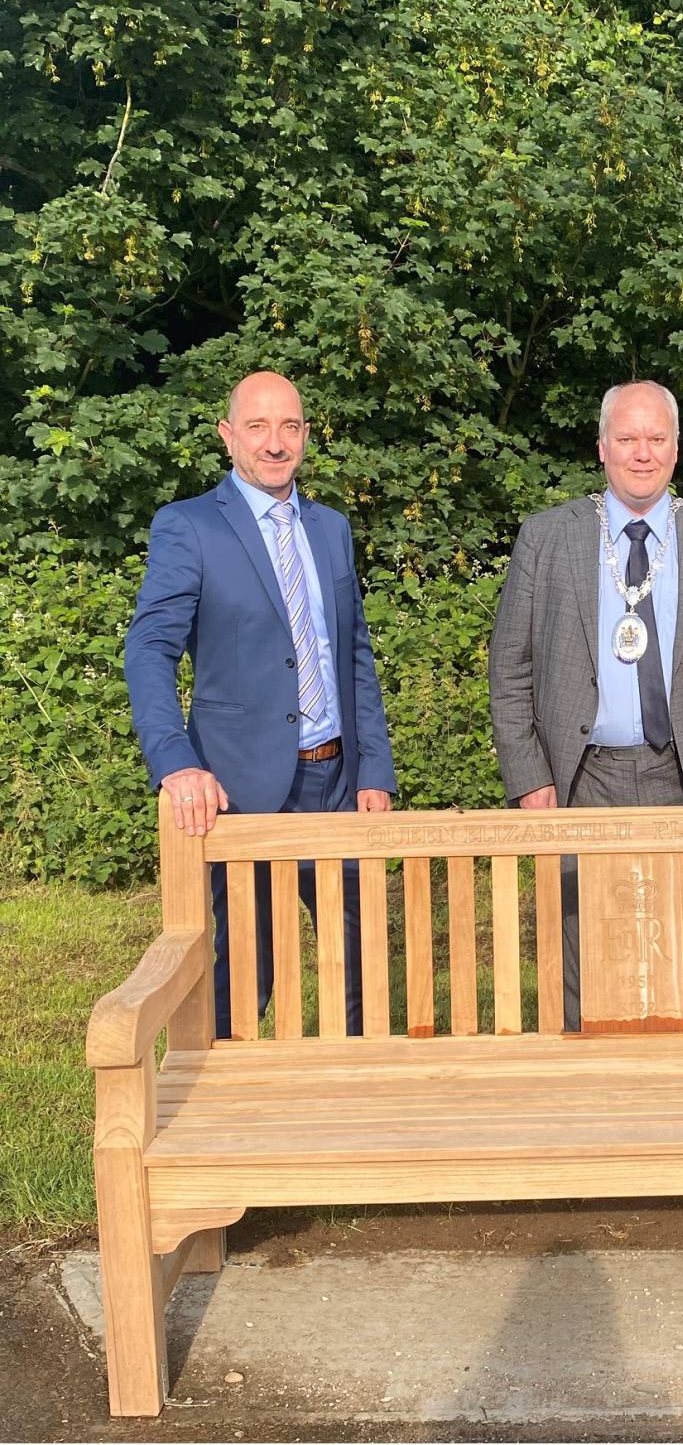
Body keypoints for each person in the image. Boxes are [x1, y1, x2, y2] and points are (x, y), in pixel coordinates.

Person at [488, 380, 683, 1029]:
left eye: (655, 439)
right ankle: (586, 1096)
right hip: (583, 776)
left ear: (677, 449)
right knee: (583, 942)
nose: (641, 453)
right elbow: (510, 670)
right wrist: (530, 777)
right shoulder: (547, 538)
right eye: (627, 438)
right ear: (601, 447)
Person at [125, 370, 397, 1037]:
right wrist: (175, 762)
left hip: (337, 785)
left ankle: (353, 1094)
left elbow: (352, 653)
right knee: (248, 971)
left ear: (305, 434)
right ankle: (219, 1101)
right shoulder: (188, 527)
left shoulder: (330, 528)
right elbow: (149, 649)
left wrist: (374, 770)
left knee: (360, 962)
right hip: (243, 790)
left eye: (290, 427)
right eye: (258, 426)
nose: (276, 443)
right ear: (228, 436)